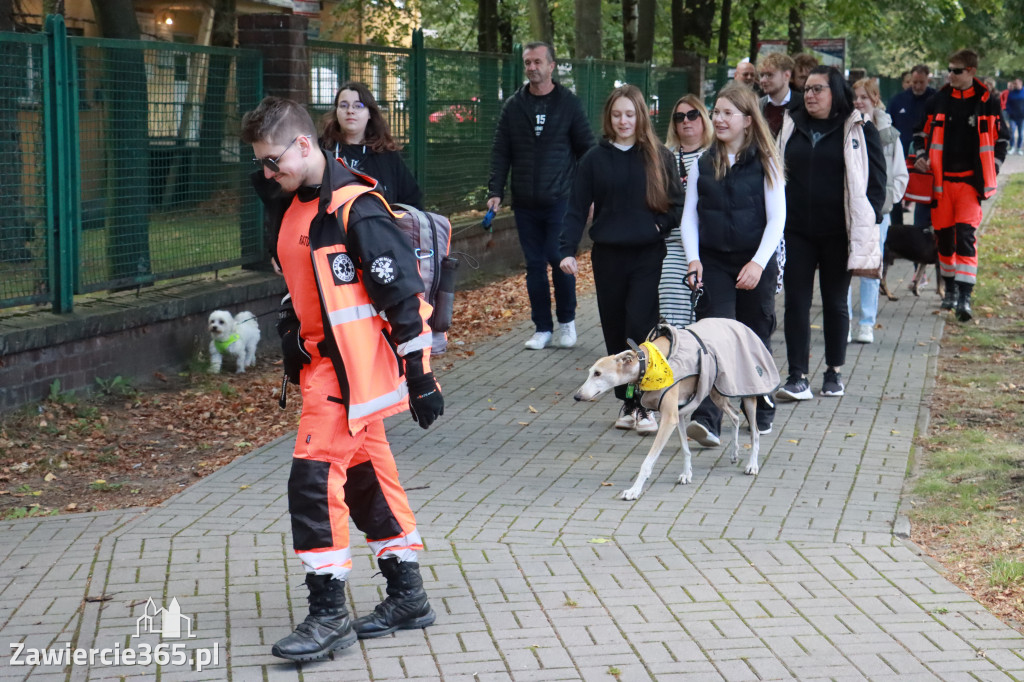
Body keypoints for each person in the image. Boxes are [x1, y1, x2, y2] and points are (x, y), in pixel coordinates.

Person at [241, 96, 444, 662]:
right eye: (260, 162)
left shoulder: (357, 209)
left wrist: (421, 376)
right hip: (323, 368)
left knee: (312, 481)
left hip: (346, 373)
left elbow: (404, 297)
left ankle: (327, 614)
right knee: (368, 481)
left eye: (273, 160)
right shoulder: (294, 202)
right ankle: (408, 595)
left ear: (304, 145)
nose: (266, 172)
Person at [559, 84, 684, 434]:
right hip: (609, 256)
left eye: (630, 114)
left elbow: (676, 203)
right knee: (615, 330)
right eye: (617, 115)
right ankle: (627, 403)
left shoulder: (659, 156)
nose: (623, 121)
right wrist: (566, 250)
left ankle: (645, 405)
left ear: (641, 116)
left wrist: (657, 226)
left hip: (647, 254)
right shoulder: (594, 160)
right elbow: (575, 208)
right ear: (608, 118)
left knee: (639, 329)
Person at [681, 83, 785, 443]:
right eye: (717, 112)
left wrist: (757, 263)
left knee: (755, 335)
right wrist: (694, 259)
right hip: (713, 264)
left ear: (746, 119)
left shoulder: (766, 161)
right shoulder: (702, 163)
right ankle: (708, 419)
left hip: (756, 261)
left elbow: (777, 219)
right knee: (713, 337)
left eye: (727, 113)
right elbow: (689, 218)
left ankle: (760, 402)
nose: (719, 119)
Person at [775, 66, 886, 401]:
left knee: (836, 302)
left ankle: (834, 372)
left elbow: (877, 182)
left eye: (817, 89)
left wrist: (869, 218)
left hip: (839, 231)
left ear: (835, 92)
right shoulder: (791, 123)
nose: (809, 95)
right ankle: (797, 376)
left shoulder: (857, 127)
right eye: (806, 89)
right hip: (796, 230)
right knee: (795, 303)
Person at [487, 41, 596, 350]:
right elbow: (500, 152)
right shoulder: (513, 106)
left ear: (551, 66)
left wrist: (588, 196)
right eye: (527, 62)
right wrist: (495, 191)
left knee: (558, 257)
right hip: (524, 202)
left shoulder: (569, 104)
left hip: (561, 199)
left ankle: (568, 322)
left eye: (537, 62)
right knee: (534, 265)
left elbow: (587, 151)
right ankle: (542, 328)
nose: (531, 67)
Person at [913, 49, 1009, 321]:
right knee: (944, 238)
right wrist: (920, 156)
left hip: (970, 183)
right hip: (941, 185)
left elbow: (1002, 139)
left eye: (956, 70)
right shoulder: (939, 99)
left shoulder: (987, 100)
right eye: (948, 70)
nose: (950, 75)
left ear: (971, 71)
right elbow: (919, 133)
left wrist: (997, 167)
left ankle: (965, 298)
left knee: (966, 236)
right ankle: (951, 291)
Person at [848, 78, 909, 344]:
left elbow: (900, 174)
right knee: (845, 266)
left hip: (876, 211)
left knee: (873, 266)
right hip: (849, 208)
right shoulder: (846, 129)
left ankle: (866, 323)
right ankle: (844, 322)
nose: (859, 101)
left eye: (864, 97)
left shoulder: (889, 134)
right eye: (855, 97)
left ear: (874, 99)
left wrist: (888, 201)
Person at [319, 81, 423, 209]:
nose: (350, 111)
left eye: (358, 106)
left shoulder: (387, 156)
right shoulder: (322, 151)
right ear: (336, 112)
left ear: (369, 114)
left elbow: (412, 200)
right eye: (344, 105)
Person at [660, 94, 713, 328]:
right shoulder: (663, 157)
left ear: (704, 118)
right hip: (672, 241)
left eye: (693, 115)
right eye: (679, 117)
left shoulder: (716, 156)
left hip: (709, 242)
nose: (686, 121)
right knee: (671, 283)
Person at [888, 65, 936, 233]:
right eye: (914, 82)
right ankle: (898, 234)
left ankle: (920, 236)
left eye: (921, 82)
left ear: (927, 80)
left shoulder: (935, 99)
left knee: (923, 199)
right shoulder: (898, 100)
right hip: (900, 157)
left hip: (925, 157)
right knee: (896, 197)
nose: (917, 86)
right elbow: (889, 126)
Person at [758, 52, 798, 138]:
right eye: (762, 75)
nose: (763, 80)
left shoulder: (803, 105)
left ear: (786, 75)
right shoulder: (757, 107)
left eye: (769, 75)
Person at [1006, 78, 1024, 155]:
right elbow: (1008, 104)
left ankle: (1019, 148)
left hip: (1021, 117)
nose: (1015, 85)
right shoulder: (1011, 93)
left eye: (1016, 83)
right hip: (1012, 117)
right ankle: (1012, 146)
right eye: (1014, 83)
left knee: (1020, 133)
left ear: (1020, 83)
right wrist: (1010, 112)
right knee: (1012, 132)